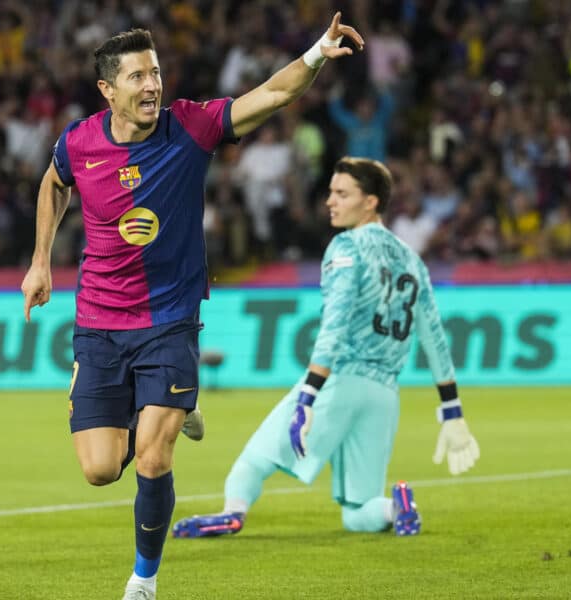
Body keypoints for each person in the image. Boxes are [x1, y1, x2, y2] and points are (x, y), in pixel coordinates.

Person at [20, 15, 364, 600]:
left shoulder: (190, 126)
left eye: (154, 72)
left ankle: (143, 580)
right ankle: (167, 405)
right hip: (99, 320)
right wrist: (39, 261)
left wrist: (315, 54)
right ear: (109, 90)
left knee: (154, 454)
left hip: (169, 320)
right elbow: (55, 184)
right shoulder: (78, 141)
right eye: (137, 76)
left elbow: (274, 95)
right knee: (101, 469)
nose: (151, 84)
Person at [172, 157, 480, 540]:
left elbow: (334, 327)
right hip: (384, 394)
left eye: (342, 193)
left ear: (370, 201)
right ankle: (395, 505)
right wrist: (451, 410)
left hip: (340, 381)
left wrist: (308, 396)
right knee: (358, 510)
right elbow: (433, 335)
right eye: (331, 192)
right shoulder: (412, 260)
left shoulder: (346, 247)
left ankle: (232, 513)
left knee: (251, 463)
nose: (330, 201)